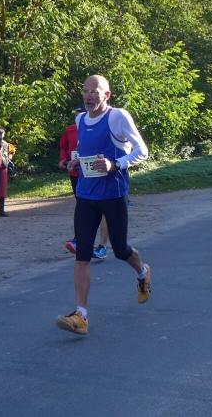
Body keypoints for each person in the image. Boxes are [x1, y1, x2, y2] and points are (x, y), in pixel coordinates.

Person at [55, 75, 150, 336]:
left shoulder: (118, 117)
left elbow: (142, 151)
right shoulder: (80, 119)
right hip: (86, 194)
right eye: (85, 91)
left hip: (113, 194)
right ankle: (81, 315)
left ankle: (142, 271)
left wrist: (115, 164)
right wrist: (78, 162)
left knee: (120, 250)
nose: (88, 96)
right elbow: (88, 152)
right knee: (82, 253)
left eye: (94, 91)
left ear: (106, 95)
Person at [59, 114, 108, 260]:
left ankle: (102, 246)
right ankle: (79, 241)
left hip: (106, 176)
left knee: (104, 210)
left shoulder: (107, 125)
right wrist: (64, 159)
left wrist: (115, 164)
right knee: (84, 206)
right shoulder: (71, 130)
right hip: (80, 175)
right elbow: (64, 147)